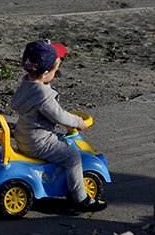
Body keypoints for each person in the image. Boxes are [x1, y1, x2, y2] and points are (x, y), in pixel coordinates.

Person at [9, 39, 108, 212]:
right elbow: (59, 116)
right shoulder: (44, 96)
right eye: (56, 70)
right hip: (39, 142)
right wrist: (79, 122)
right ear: (46, 73)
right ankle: (80, 199)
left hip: (24, 136)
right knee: (72, 157)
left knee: (63, 140)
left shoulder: (27, 83)